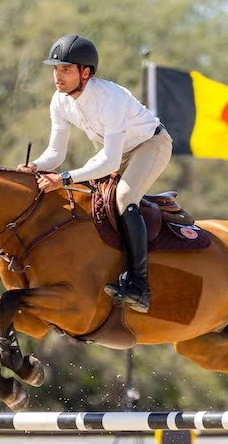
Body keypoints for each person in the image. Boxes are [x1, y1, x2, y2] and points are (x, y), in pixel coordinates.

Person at [17, 34, 172, 313]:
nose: (57, 76)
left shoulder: (110, 97)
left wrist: (63, 178)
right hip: (116, 152)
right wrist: (36, 167)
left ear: (85, 72)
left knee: (124, 197)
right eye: (55, 69)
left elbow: (110, 161)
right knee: (88, 201)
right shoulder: (60, 101)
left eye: (65, 69)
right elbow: (56, 153)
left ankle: (140, 286)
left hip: (151, 144)